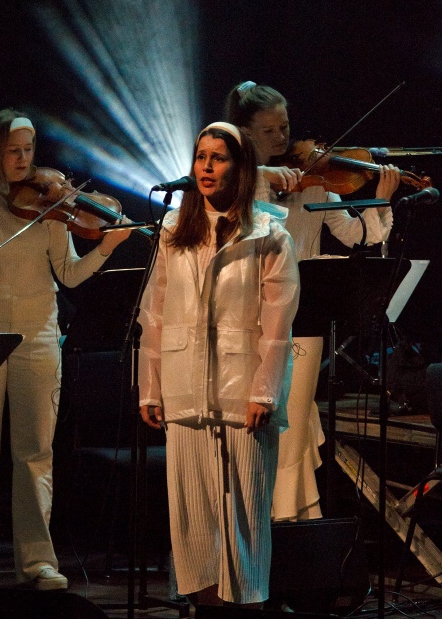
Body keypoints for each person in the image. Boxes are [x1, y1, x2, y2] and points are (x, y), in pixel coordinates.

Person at [0, 109, 131, 589]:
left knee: (35, 453)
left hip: (38, 337)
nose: (24, 160)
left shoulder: (51, 204)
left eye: (29, 150)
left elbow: (69, 273)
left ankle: (39, 562)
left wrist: (107, 247)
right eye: (14, 150)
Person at [139, 121, 300, 606]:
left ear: (241, 167)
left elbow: (277, 326)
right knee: (193, 521)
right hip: (185, 389)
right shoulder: (173, 231)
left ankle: (246, 608)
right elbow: (154, 313)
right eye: (201, 157)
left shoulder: (269, 234)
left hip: (241, 391)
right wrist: (151, 389)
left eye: (219, 158)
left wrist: (264, 392)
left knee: (244, 518)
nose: (206, 167)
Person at [226, 80, 401, 521]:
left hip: (304, 312)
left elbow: (359, 234)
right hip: (248, 316)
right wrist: (264, 177)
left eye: (285, 127)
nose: (283, 139)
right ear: (244, 133)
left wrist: (380, 201)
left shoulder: (315, 179)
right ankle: (261, 522)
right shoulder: (234, 180)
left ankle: (287, 523)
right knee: (256, 426)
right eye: (269, 131)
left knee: (294, 423)